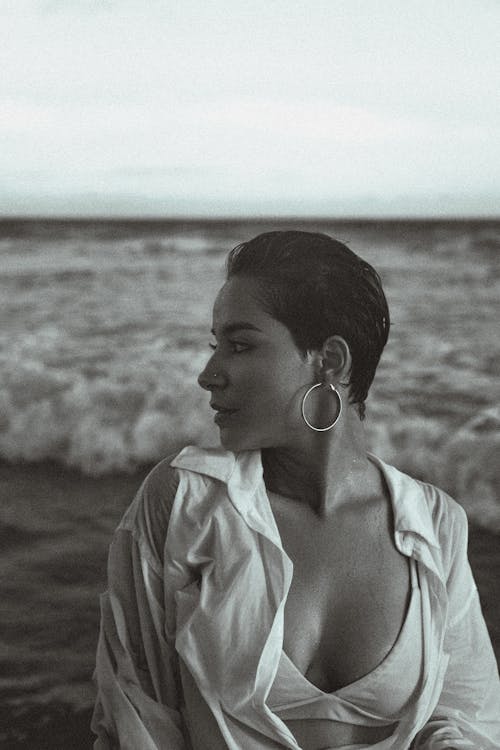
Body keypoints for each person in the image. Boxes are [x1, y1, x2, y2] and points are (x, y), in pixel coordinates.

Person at [92, 231, 500, 750]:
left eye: (239, 345)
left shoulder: (434, 527)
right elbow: (135, 722)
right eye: (215, 345)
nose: (208, 374)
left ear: (328, 360)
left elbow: (469, 722)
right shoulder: (185, 505)